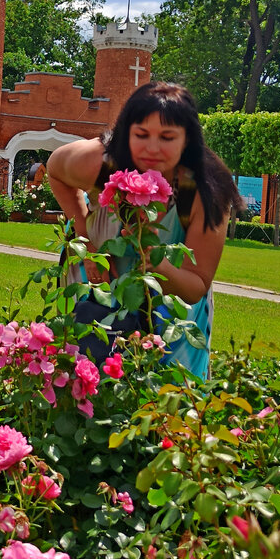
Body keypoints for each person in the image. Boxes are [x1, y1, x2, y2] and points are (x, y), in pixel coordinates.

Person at [46, 82, 242, 378]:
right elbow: (55, 168)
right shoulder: (100, 164)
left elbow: (196, 283)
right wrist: (85, 235)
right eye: (141, 135)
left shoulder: (205, 190)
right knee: (79, 379)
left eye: (167, 137)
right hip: (94, 288)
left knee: (167, 401)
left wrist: (156, 264)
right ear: (127, 132)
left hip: (169, 308)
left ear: (187, 140)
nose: (152, 148)